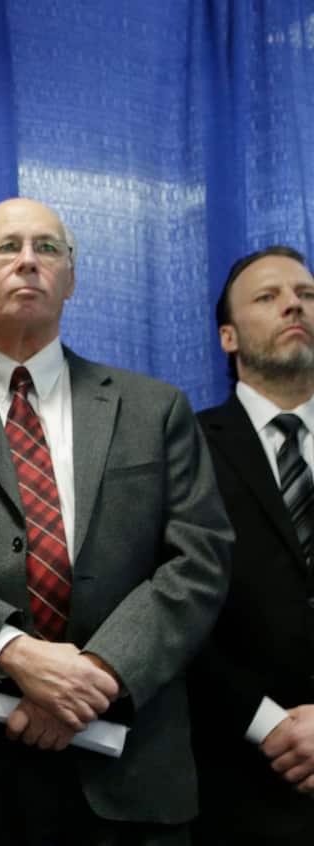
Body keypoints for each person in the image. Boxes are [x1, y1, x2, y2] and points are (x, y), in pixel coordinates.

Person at [0, 197, 233, 845]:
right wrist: (14, 653)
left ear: (70, 277)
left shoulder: (154, 408)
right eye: (6, 247)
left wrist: (93, 674)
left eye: (48, 248)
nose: (28, 261)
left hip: (130, 768)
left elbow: (201, 558)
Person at [190, 245, 314, 846]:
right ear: (228, 337)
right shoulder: (181, 446)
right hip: (239, 784)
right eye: (268, 297)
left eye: (306, 294)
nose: (294, 304)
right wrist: (271, 725)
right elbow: (166, 604)